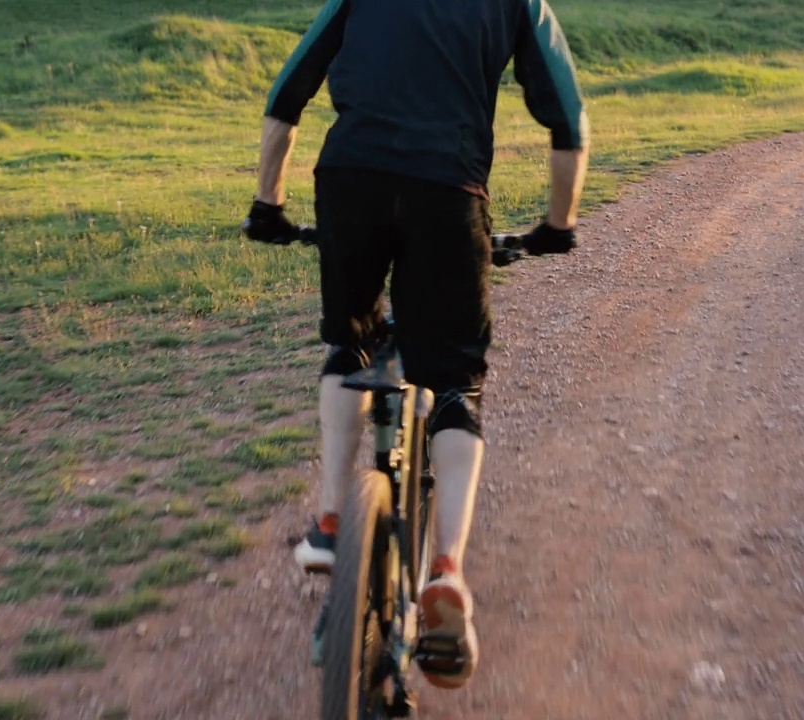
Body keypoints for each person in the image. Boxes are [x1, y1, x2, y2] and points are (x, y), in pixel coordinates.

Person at [242, 0, 589, 690]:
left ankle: (333, 518)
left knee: (349, 344)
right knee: (456, 383)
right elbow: (569, 126)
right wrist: (557, 224)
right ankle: (448, 571)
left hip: (351, 180)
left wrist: (267, 207)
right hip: (447, 189)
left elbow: (286, 99)